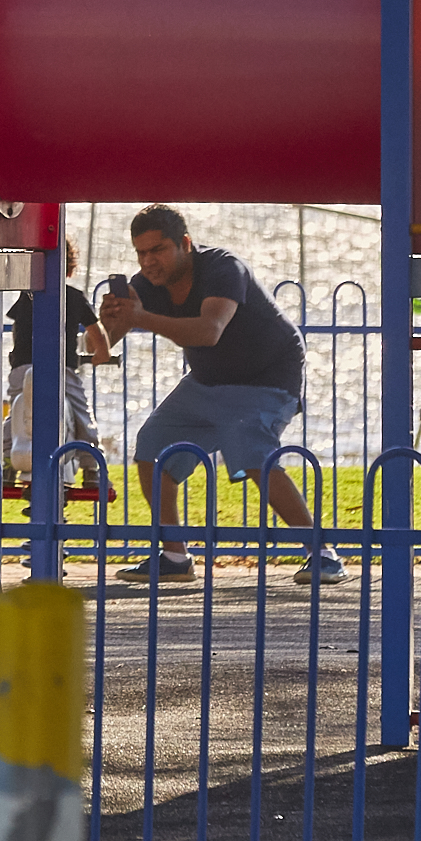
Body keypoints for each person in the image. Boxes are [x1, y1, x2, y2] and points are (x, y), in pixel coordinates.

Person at [97, 203, 342, 586]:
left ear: (186, 244)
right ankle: (175, 556)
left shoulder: (223, 268)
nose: (149, 262)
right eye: (141, 253)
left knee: (250, 450)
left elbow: (209, 331)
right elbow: (102, 346)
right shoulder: (145, 285)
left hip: (267, 378)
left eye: (158, 250)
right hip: (208, 381)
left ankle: (323, 554)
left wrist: (139, 318)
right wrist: (106, 323)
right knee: (152, 445)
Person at [5, 237, 116, 499]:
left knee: (16, 415)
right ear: (69, 268)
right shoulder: (73, 297)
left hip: (22, 367)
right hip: (60, 368)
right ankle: (92, 469)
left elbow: (17, 330)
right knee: (81, 415)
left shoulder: (26, 297)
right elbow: (95, 331)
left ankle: (5, 464)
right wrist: (103, 353)